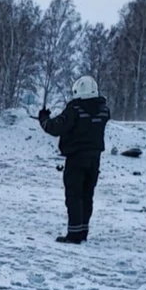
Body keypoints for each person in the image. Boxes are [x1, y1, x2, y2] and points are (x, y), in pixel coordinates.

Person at [39, 75, 111, 244]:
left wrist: (43, 118)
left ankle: (74, 234)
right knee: (87, 195)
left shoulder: (75, 109)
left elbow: (55, 128)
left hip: (76, 157)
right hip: (95, 158)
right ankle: (83, 231)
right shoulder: (104, 110)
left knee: (74, 195)